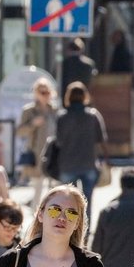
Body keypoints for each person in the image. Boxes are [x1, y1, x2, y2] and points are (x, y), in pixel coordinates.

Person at [54, 82, 108, 212]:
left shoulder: (62, 117)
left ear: (68, 97)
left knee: (66, 201)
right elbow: (102, 140)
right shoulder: (93, 115)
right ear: (85, 96)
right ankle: (86, 229)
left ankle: (69, 228)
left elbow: (58, 141)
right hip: (88, 163)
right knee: (86, 201)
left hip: (67, 164)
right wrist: (105, 160)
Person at [15, 78, 58, 186]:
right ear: (36, 94)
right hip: (36, 154)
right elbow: (20, 132)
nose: (45, 95)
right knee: (37, 190)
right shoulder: (29, 110)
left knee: (54, 189)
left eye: (47, 92)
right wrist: (33, 124)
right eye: (42, 92)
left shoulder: (55, 110)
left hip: (53, 154)